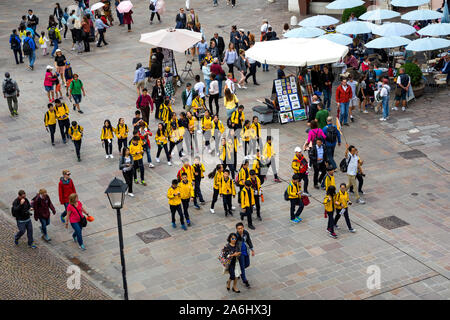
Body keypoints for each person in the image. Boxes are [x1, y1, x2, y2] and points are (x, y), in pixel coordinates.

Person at [235, 222, 254, 288]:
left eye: (241, 228)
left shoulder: (246, 233)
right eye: (238, 229)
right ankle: (245, 281)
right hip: (240, 254)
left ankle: (238, 271)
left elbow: (249, 240)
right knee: (242, 267)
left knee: (247, 264)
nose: (240, 230)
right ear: (236, 229)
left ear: (243, 228)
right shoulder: (235, 236)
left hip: (246, 251)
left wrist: (252, 249)